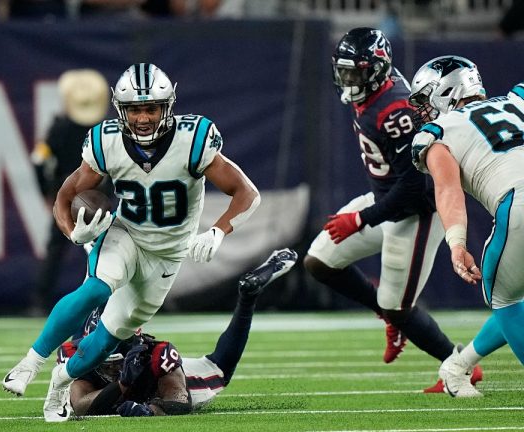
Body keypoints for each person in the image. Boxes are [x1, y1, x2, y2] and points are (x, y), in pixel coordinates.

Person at [2, 62, 262, 422]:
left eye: (151, 108)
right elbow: (65, 195)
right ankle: (30, 362)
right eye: (135, 109)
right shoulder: (106, 141)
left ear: (166, 107)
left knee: (109, 339)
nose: (142, 117)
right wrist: (72, 233)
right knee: (96, 290)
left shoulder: (193, 139)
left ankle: (61, 381)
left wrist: (218, 230)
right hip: (126, 234)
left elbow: (246, 193)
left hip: (168, 255)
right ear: (120, 110)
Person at [303, 28, 481, 391]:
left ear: (378, 70)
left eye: (355, 73)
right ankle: (390, 317)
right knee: (319, 260)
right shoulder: (377, 89)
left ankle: (462, 366)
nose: (348, 81)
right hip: (385, 197)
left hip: (414, 212)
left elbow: (413, 187)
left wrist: (361, 219)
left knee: (399, 306)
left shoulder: (397, 110)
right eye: (344, 72)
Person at [62, 248, 297, 417]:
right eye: (100, 358)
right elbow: (81, 405)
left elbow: (179, 400)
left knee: (218, 368)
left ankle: (247, 296)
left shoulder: (156, 356)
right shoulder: (77, 352)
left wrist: (151, 411)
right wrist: (122, 384)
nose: (107, 367)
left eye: (114, 362)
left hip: (171, 381)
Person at [410, 55, 524, 397]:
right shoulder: (519, 99)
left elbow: (448, 190)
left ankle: (456, 367)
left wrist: (456, 243)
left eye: (425, 98)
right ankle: (458, 366)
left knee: (505, 298)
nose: (423, 109)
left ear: (445, 91)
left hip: (518, 205)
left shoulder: (438, 132)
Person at [28, 68, 110, 315]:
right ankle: (110, 302)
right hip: (98, 195)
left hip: (65, 194)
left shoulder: (60, 126)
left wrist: (46, 192)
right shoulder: (103, 129)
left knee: (56, 248)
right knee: (107, 249)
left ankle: (40, 301)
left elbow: (39, 161)